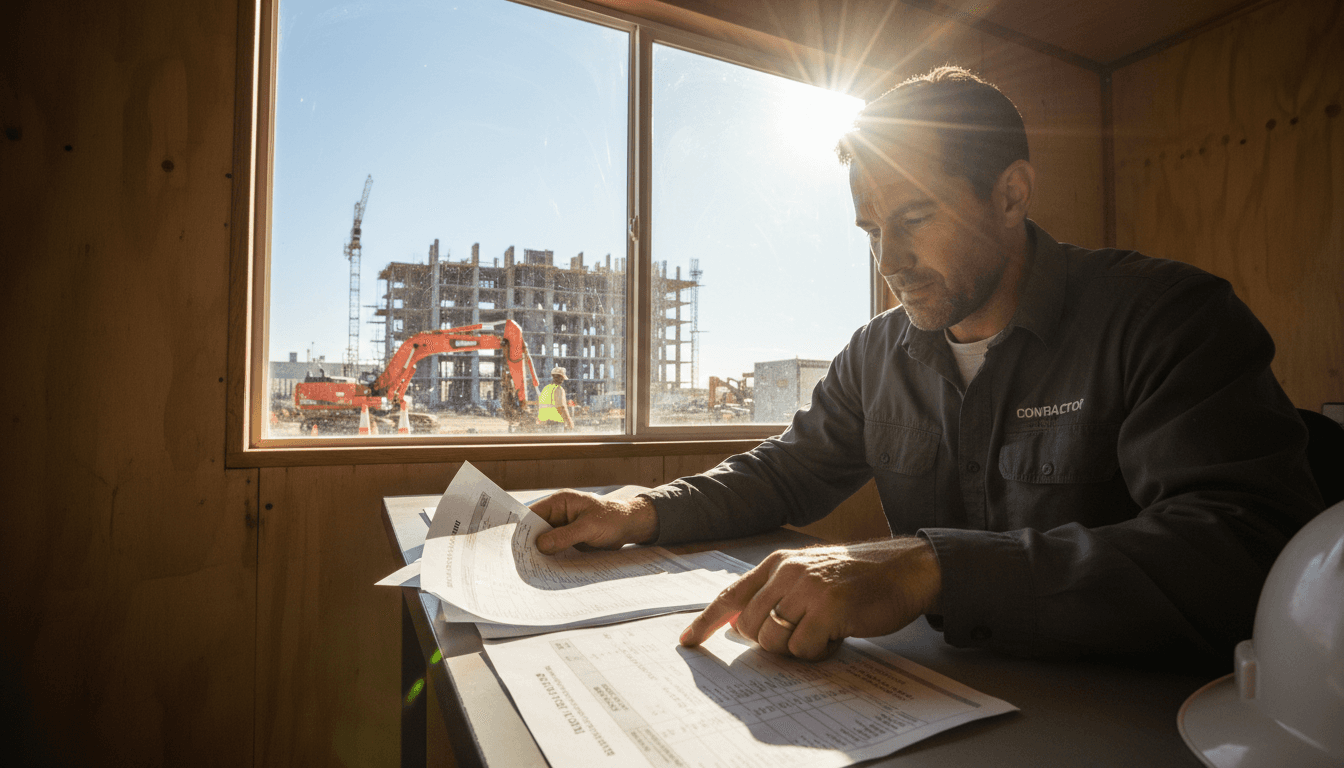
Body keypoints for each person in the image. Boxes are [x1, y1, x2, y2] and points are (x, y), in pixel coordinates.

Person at [530, 66, 1323, 663]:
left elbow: (1245, 547)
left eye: (913, 218)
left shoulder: (1164, 317)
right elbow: (784, 473)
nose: (890, 260)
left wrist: (931, 567)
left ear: (1012, 193)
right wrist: (642, 507)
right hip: (944, 694)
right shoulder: (877, 354)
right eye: (870, 229)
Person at [537, 366, 574, 431]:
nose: (562, 381)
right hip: (556, 424)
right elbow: (562, 407)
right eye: (562, 379)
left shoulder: (546, 388)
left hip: (544, 424)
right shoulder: (559, 389)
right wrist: (569, 421)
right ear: (561, 378)